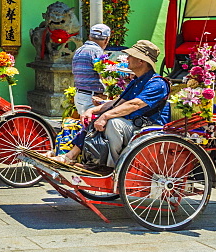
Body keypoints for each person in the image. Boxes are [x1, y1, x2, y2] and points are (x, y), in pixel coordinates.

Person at [57, 40, 169, 168]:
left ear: (141, 61)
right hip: (133, 125)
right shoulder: (136, 81)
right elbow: (117, 102)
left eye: (131, 56)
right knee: (98, 118)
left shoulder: (157, 83)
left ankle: (111, 167)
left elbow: (134, 105)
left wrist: (105, 116)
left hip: (148, 129)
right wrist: (93, 111)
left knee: (113, 122)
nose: (127, 58)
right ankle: (73, 157)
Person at [71, 23, 111, 114]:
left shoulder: (79, 50)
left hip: (80, 95)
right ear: (106, 40)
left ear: (89, 36)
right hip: (92, 98)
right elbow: (104, 75)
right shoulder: (97, 51)